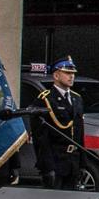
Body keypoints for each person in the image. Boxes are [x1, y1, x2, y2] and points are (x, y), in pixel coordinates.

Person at [34, 57, 85, 190]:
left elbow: (79, 131)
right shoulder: (46, 99)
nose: (71, 76)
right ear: (56, 75)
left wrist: (82, 162)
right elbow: (41, 138)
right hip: (56, 160)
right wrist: (47, 167)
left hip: (73, 160)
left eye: (73, 73)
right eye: (67, 73)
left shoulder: (77, 98)